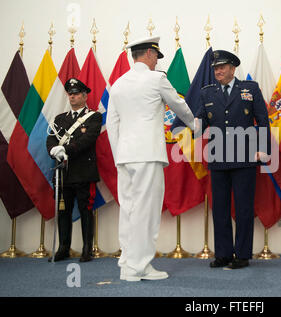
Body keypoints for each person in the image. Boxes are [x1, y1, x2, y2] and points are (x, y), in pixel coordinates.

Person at [106, 36, 195, 282]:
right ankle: (139, 266)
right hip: (147, 155)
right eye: (155, 55)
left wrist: (118, 155)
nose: (157, 60)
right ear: (147, 54)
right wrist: (196, 125)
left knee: (129, 210)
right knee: (147, 211)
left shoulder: (118, 84)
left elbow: (112, 124)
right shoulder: (157, 79)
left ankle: (127, 262)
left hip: (125, 157)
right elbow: (180, 107)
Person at [194, 50, 271, 270]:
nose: (218, 71)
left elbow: (263, 120)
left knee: (244, 208)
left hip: (245, 157)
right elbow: (200, 122)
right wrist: (190, 126)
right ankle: (224, 254)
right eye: (215, 68)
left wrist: (263, 149)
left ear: (233, 68)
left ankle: (243, 254)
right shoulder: (206, 93)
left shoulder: (250, 89)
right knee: (220, 208)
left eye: (222, 67)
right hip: (218, 157)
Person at [46, 78, 102, 263]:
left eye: (76, 93)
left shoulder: (94, 117)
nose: (72, 96)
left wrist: (66, 149)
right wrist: (54, 150)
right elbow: (51, 139)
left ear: (85, 96)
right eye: (70, 93)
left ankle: (87, 249)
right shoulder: (59, 118)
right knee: (64, 211)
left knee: (86, 210)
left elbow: (88, 140)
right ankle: (64, 247)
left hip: (84, 172)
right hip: (63, 173)